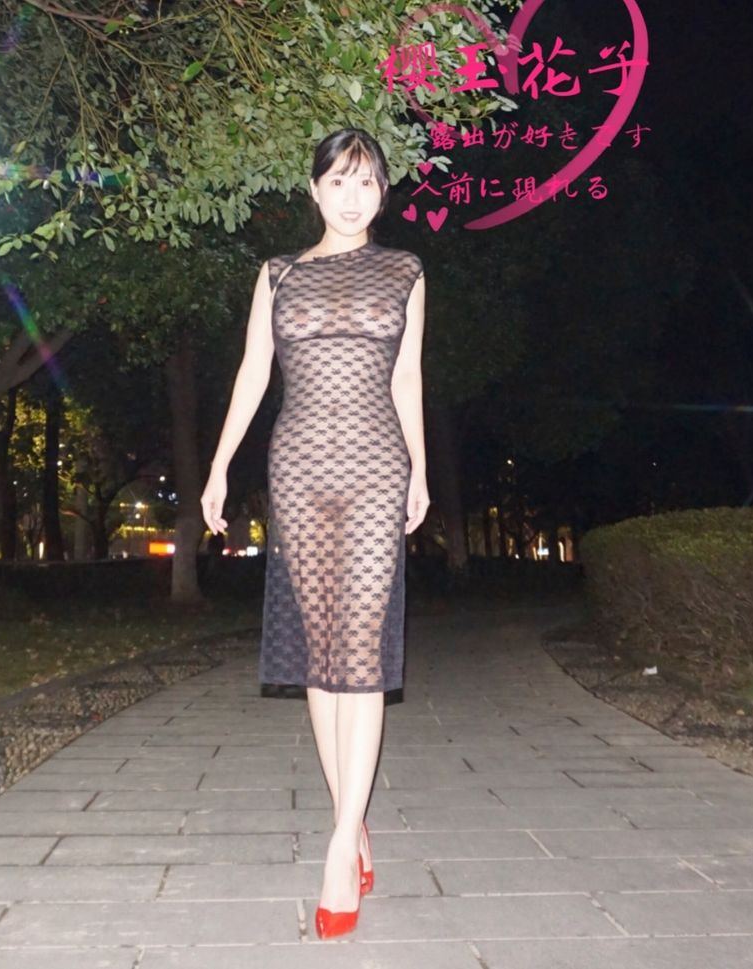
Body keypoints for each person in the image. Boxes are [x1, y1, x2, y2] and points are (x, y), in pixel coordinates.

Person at [202, 127, 428, 940]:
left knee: (360, 652)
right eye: (338, 181)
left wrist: (421, 470)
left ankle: (338, 846)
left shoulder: (406, 270)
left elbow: (407, 376)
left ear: (383, 192)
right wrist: (220, 465)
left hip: (376, 466)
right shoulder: (279, 274)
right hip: (298, 465)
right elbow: (253, 371)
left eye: (366, 182)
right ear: (314, 190)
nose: (352, 196)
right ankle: (353, 820)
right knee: (322, 656)